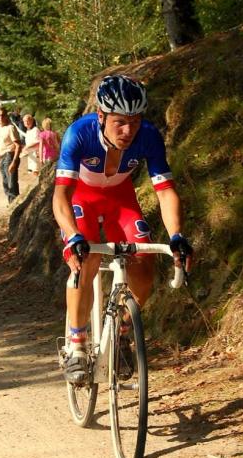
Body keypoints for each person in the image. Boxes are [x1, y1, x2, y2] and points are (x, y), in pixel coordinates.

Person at [52, 74, 193, 384]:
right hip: (82, 199)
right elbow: (61, 196)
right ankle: (76, 345)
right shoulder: (79, 134)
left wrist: (176, 236)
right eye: (119, 122)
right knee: (84, 262)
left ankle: (122, 329)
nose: (128, 131)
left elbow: (166, 190)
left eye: (135, 120)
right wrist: (73, 235)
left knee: (144, 263)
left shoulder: (149, 136)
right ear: (101, 116)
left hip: (120, 199)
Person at [0, 107, 21, 203]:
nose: (0, 117)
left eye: (2, 115)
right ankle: (12, 204)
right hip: (2, 157)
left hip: (10, 156)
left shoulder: (10, 128)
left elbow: (18, 145)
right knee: (5, 184)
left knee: (11, 184)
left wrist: (14, 162)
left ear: (6, 116)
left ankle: (14, 205)